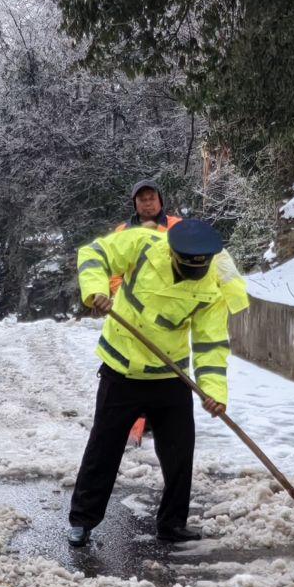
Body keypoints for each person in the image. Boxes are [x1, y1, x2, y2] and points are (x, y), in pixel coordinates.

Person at [68, 217, 246, 546]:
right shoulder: (145, 245)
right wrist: (95, 291)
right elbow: (95, 253)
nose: (195, 273)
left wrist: (214, 392)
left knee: (180, 453)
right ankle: (82, 521)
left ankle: (172, 525)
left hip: (170, 376)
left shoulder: (211, 287)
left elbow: (210, 344)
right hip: (122, 370)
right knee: (104, 449)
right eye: (188, 267)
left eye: (201, 267)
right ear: (173, 254)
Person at [103, 178, 181, 448]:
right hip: (131, 314)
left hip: (166, 312)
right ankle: (134, 424)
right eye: (142, 199)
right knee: (132, 365)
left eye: (151, 198)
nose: (147, 203)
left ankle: (157, 420)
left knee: (163, 367)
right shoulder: (122, 231)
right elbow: (113, 271)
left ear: (160, 201)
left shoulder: (176, 227)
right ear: (134, 203)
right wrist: (119, 297)